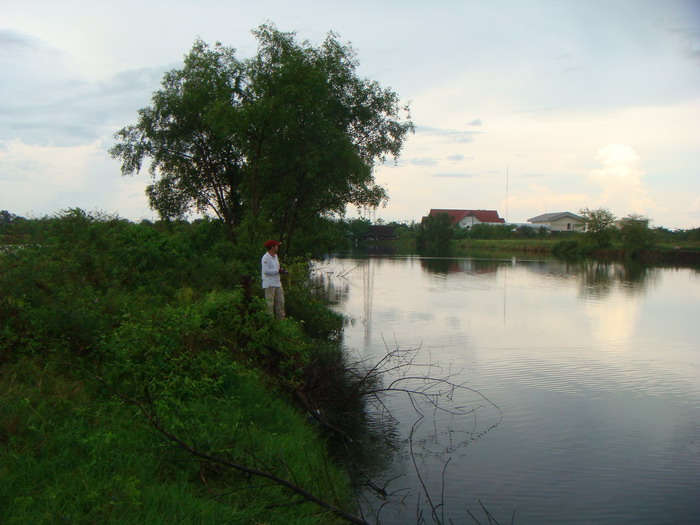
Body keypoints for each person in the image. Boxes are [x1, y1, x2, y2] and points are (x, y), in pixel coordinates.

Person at [261, 239, 286, 319]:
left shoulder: (276, 256)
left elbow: (276, 268)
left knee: (281, 301)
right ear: (272, 247)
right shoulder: (265, 258)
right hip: (269, 283)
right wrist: (277, 271)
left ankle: (281, 320)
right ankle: (269, 321)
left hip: (277, 282)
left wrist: (281, 270)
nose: (277, 247)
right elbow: (266, 271)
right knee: (269, 303)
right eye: (276, 246)